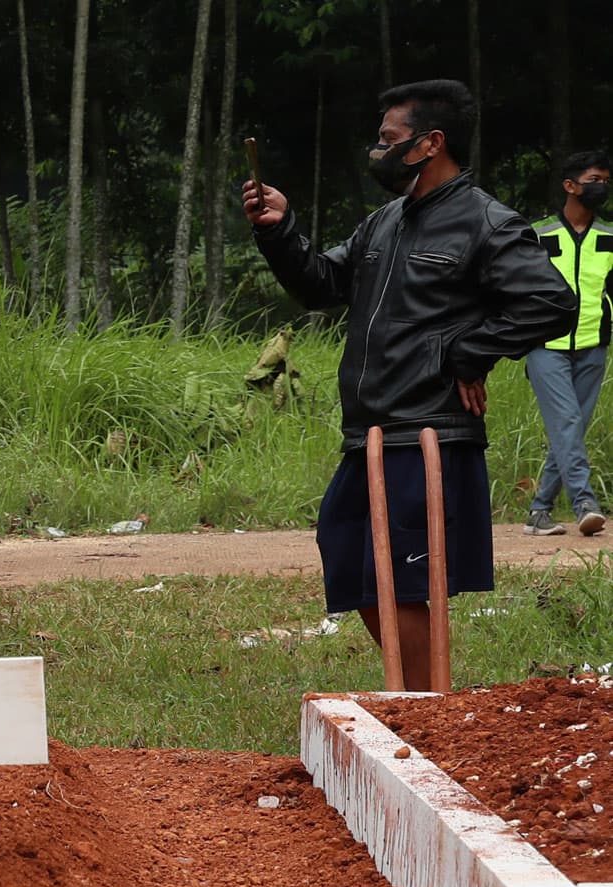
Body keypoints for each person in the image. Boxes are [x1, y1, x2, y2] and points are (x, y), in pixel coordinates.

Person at [244, 80, 576, 691]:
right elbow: (321, 285)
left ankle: (429, 712)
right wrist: (279, 228)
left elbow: (551, 303)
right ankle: (419, 699)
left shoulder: (487, 221)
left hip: (429, 430)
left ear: (431, 143)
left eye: (389, 140)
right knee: (351, 562)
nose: (378, 150)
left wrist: (466, 354)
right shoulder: (384, 223)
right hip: (368, 431)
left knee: (399, 576)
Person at [523, 149, 613, 537]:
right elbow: (515, 287)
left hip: (594, 345)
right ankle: (584, 503)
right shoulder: (538, 235)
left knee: (570, 431)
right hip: (546, 345)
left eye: (606, 182)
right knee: (568, 423)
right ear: (570, 186)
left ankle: (539, 511)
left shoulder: (610, 237)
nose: (602, 187)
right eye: (594, 180)